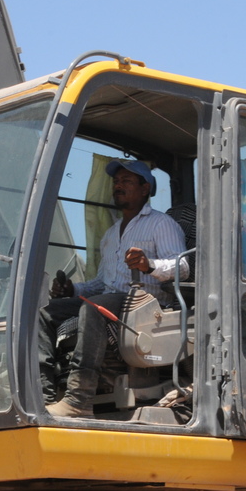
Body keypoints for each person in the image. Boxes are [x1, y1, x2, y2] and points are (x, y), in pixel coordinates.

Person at [39, 159, 188, 418]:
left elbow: (182, 266)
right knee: (46, 312)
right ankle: (44, 395)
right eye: (116, 182)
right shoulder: (110, 234)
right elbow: (101, 283)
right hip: (112, 299)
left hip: (146, 303)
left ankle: (79, 398)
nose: (118, 186)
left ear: (145, 189)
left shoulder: (160, 223)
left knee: (95, 307)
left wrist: (148, 264)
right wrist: (71, 289)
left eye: (126, 181)